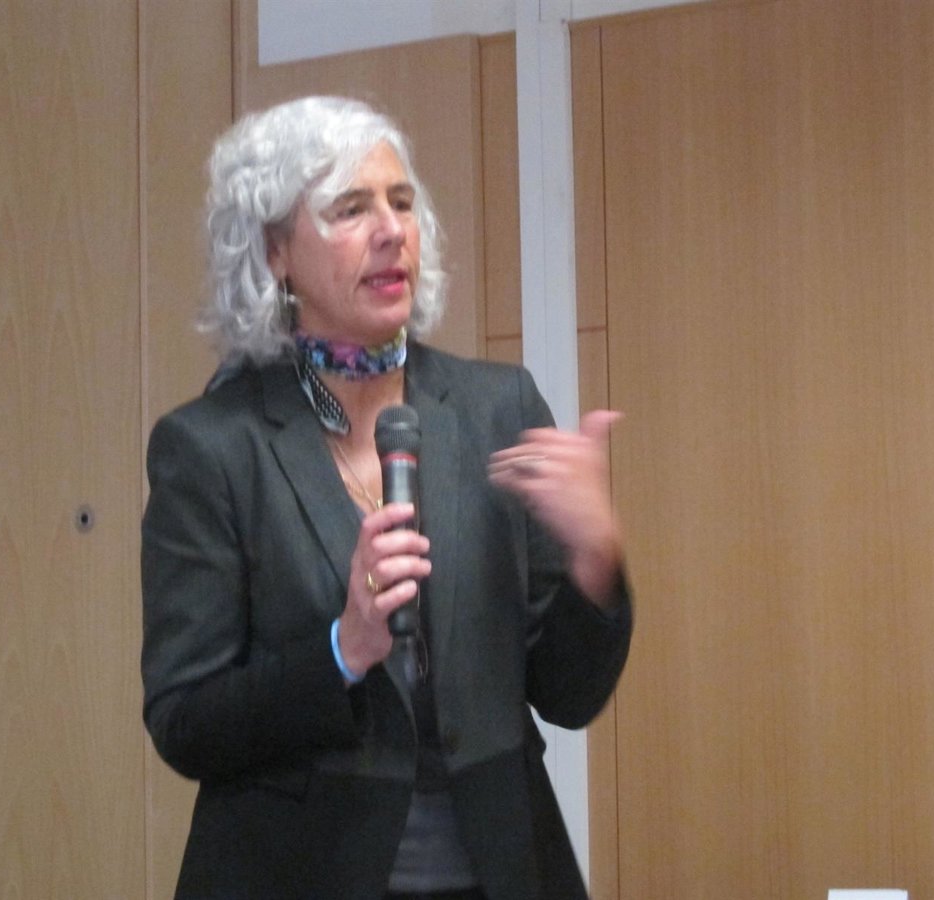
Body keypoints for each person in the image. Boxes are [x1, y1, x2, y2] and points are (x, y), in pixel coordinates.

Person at [140, 95, 634, 900]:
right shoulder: (211, 448)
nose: (390, 230)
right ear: (273, 251)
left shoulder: (497, 408)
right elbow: (185, 721)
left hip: (502, 872)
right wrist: (344, 648)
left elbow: (569, 694)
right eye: (350, 208)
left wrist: (595, 557)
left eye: (401, 202)